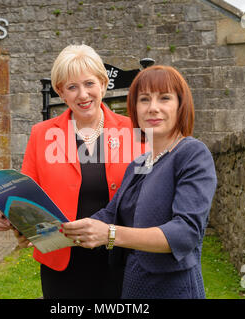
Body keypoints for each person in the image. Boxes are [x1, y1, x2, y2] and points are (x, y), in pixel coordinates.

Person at [0, 44, 142, 299]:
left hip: (121, 260)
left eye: (89, 84)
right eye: (72, 87)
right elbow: (27, 195)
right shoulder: (42, 134)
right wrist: (6, 211)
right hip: (62, 263)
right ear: (61, 92)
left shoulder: (132, 130)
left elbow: (147, 194)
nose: (83, 94)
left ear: (103, 84)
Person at [62, 65, 217, 299]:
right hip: (135, 284)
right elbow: (110, 213)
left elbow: (185, 232)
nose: (153, 108)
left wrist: (111, 234)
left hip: (173, 288)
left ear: (180, 105)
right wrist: (56, 232)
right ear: (135, 109)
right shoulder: (140, 163)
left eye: (164, 98)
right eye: (144, 100)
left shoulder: (192, 154)